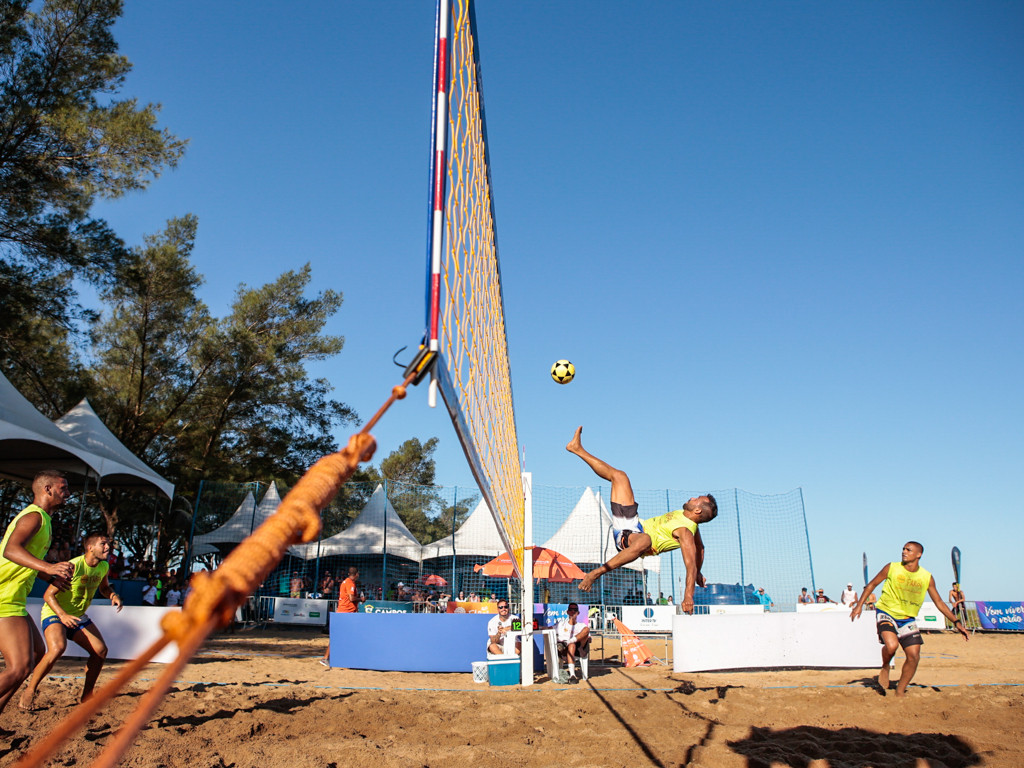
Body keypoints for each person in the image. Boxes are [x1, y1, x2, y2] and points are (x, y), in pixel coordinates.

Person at [566, 427, 717, 613]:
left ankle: (595, 573)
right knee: (620, 476)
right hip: (633, 523)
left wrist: (688, 595)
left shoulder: (686, 532)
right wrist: (700, 573)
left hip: (630, 540)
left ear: (697, 510)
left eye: (697, 499)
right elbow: (701, 548)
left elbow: (691, 564)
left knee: (646, 539)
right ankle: (576, 448)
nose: (692, 497)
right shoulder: (689, 522)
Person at [0, 470, 74, 724]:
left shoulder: (43, 519)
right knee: (19, 667)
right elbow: (11, 550)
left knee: (35, 655)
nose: (68, 493)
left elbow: (25, 561)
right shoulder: (34, 516)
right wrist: (49, 568)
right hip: (3, 598)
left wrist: (49, 577)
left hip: (13, 598)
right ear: (47, 489)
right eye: (63, 488)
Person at [18, 532, 123, 709]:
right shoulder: (73, 566)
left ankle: (86, 697)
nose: (108, 547)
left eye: (108, 544)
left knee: (100, 651)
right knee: (58, 648)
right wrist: (63, 616)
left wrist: (112, 594)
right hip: (55, 612)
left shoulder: (103, 566)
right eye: (103, 544)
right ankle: (30, 690)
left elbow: (104, 587)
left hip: (78, 616)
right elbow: (48, 595)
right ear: (90, 548)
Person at [851, 541, 969, 697]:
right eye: (903, 549)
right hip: (887, 611)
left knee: (914, 656)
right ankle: (885, 666)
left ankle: (900, 691)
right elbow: (872, 584)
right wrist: (859, 605)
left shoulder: (926, 577)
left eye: (908, 550)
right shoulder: (892, 567)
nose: (904, 552)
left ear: (918, 555)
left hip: (907, 618)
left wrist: (956, 622)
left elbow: (939, 602)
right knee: (892, 646)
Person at [321, 566, 361, 666]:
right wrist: (361, 599)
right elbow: (351, 598)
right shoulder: (350, 583)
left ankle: (328, 657)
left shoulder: (345, 582)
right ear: (356, 574)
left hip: (344, 611)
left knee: (340, 635)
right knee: (343, 636)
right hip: (346, 612)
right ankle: (327, 657)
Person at [556, 602, 591, 682]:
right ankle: (572, 675)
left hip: (579, 649)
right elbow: (549, 628)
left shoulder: (581, 625)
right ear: (567, 612)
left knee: (586, 630)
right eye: (571, 610)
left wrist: (571, 641)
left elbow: (588, 636)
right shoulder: (561, 624)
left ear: (578, 613)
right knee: (571, 645)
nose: (573, 612)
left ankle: (572, 675)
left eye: (575, 610)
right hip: (563, 649)